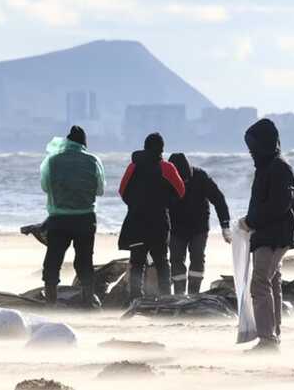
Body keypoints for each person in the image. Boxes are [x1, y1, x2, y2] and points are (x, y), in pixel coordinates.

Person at [241, 118, 294, 352]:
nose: (250, 151)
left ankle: (268, 340)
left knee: (260, 283)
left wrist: (250, 221)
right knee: (272, 280)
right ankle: (273, 335)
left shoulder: (278, 167)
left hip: (274, 235)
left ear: (264, 144)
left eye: (252, 146)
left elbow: (280, 205)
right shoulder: (268, 165)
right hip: (271, 233)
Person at [39, 125, 105, 308]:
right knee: (85, 260)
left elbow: (45, 186)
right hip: (85, 219)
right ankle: (87, 302)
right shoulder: (93, 161)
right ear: (84, 143)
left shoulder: (52, 161)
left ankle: (50, 303)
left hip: (59, 219)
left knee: (53, 260)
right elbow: (100, 190)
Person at [118, 133, 185, 301]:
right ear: (162, 148)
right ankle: (165, 298)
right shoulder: (167, 168)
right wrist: (166, 203)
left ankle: (135, 299)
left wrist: (134, 204)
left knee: (137, 261)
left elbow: (122, 190)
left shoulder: (133, 166)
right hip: (159, 221)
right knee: (162, 261)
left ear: (145, 146)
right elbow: (180, 191)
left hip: (136, 220)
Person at [167, 153, 232, 295]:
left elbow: (218, 199)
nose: (182, 182)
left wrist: (225, 225)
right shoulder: (166, 179)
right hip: (175, 228)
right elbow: (156, 205)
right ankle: (179, 294)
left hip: (199, 227)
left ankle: (194, 293)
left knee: (197, 257)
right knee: (176, 259)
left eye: (184, 179)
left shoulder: (201, 177)